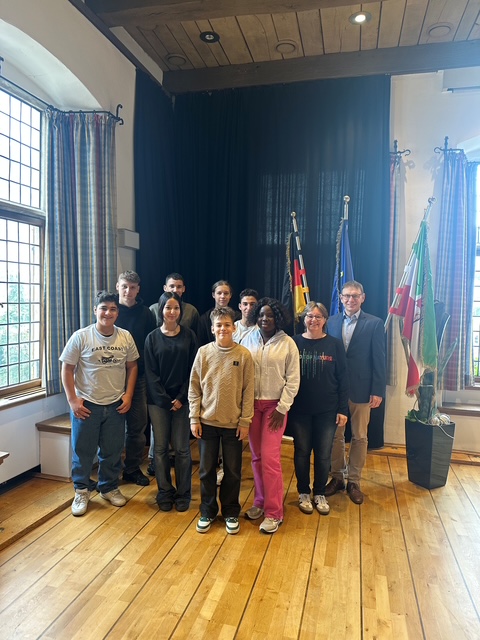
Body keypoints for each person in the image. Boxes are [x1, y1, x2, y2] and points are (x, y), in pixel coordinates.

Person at [60, 291, 139, 517]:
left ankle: (109, 487)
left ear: (117, 313)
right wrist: (72, 400)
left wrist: (128, 395)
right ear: (95, 310)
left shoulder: (125, 336)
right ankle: (81, 491)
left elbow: (132, 366)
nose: (108, 313)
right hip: (87, 405)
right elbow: (67, 368)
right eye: (103, 308)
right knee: (83, 452)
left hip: (115, 405)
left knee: (112, 451)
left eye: (113, 309)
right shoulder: (81, 336)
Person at [189, 306, 254, 535]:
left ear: (234, 328)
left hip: (233, 425)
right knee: (206, 470)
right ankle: (207, 511)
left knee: (233, 471)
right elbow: (194, 388)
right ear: (212, 329)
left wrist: (245, 421)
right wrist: (194, 418)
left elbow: (248, 390)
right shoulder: (203, 353)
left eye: (227, 325)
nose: (223, 329)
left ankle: (230, 511)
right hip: (207, 423)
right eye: (219, 325)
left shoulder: (244, 355)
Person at [242, 298, 300, 534]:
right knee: (256, 457)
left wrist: (281, 408)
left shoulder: (288, 344)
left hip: (274, 408)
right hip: (252, 406)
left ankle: (274, 512)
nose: (265, 319)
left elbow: (293, 380)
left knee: (270, 458)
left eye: (270, 315)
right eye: (261, 315)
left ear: (278, 318)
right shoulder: (248, 338)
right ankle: (260, 500)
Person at [325, 280, 386, 505]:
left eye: (355, 296)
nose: (350, 299)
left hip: (362, 389)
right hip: (335, 391)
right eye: (347, 296)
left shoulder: (375, 323)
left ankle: (354, 481)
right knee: (336, 436)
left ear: (363, 298)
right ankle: (337, 477)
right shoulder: (330, 322)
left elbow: (379, 358)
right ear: (341, 298)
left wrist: (377, 390)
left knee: (359, 436)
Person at [289, 302, 348, 516]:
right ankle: (304, 492)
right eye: (309, 316)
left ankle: (320, 492)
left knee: (323, 454)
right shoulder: (293, 342)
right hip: (300, 410)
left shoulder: (335, 344)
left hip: (327, 410)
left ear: (325, 320)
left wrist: (342, 409)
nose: (313, 320)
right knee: (302, 452)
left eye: (318, 316)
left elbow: (343, 378)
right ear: (304, 319)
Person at [144, 292, 198, 512]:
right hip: (158, 403)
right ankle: (164, 491)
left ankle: (184, 493)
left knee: (182, 449)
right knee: (160, 449)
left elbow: (194, 370)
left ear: (181, 310)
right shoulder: (152, 338)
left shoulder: (190, 336)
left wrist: (181, 398)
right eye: (168, 308)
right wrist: (166, 401)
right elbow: (151, 374)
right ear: (161, 310)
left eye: (176, 308)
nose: (172, 312)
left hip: (183, 401)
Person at [116, 270, 156, 486]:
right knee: (111, 428)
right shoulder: (111, 310)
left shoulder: (146, 313)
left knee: (137, 427)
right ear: (118, 286)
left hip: (138, 377)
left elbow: (150, 345)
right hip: (111, 377)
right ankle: (110, 471)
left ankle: (131, 469)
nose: (128, 291)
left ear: (138, 289)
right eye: (124, 286)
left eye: (132, 287)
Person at [196, 280, 234, 347]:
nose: (223, 296)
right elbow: (200, 342)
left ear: (230, 295)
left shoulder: (237, 317)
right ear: (213, 295)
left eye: (226, 293)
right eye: (219, 293)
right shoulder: (204, 319)